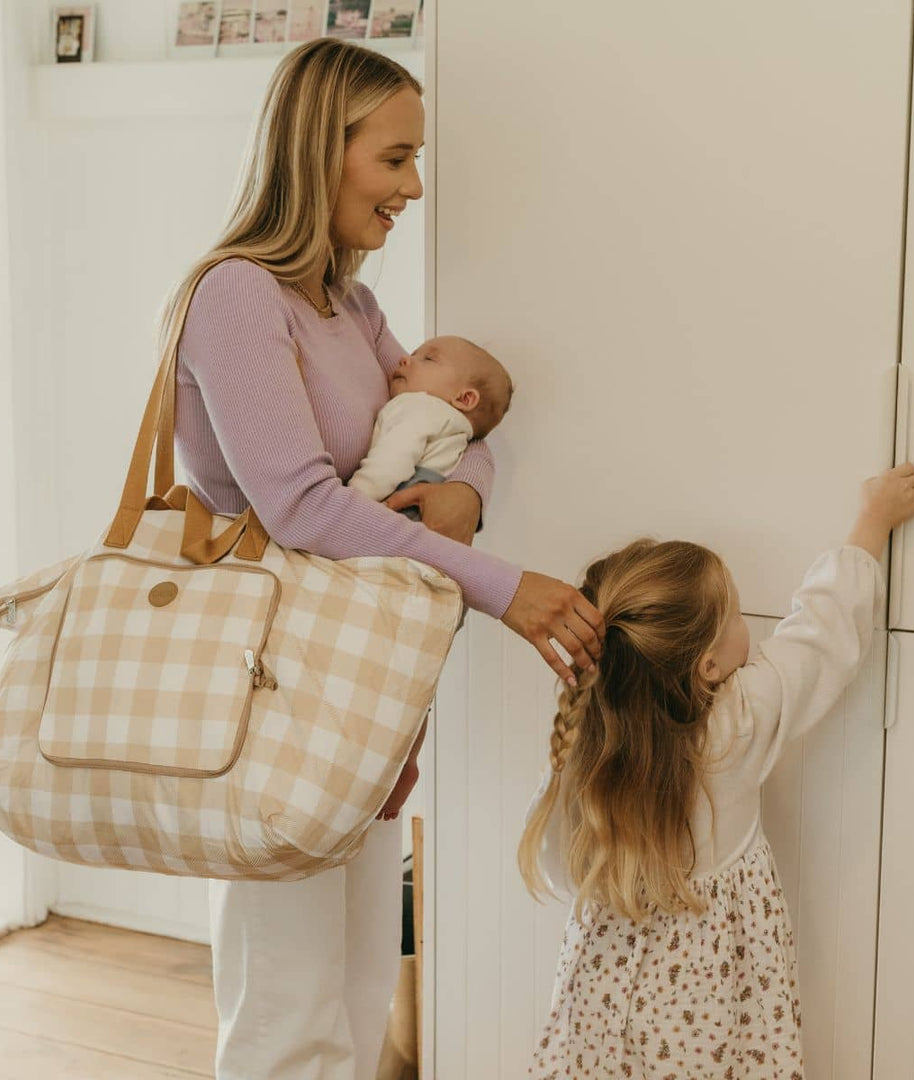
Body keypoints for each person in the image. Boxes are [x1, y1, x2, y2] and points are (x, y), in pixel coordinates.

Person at [166, 37, 604, 1080]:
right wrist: (505, 590)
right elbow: (305, 509)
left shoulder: (350, 309)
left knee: (358, 992)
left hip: (358, 685)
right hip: (272, 687)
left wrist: (463, 495)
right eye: (394, 159)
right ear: (322, 149)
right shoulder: (238, 297)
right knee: (287, 1013)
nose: (412, 187)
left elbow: (457, 431)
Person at [519, 463, 914, 1078]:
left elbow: (555, 864)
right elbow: (822, 633)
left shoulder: (586, 747)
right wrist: (874, 518)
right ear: (708, 667)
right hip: (710, 1005)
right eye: (736, 617)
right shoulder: (736, 725)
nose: (748, 628)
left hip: (608, 1007)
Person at [348, 334, 513, 518]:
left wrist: (354, 497)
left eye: (428, 359)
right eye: (413, 354)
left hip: (392, 510)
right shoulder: (454, 428)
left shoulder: (420, 407)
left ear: (464, 398)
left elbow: (392, 461)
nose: (404, 359)